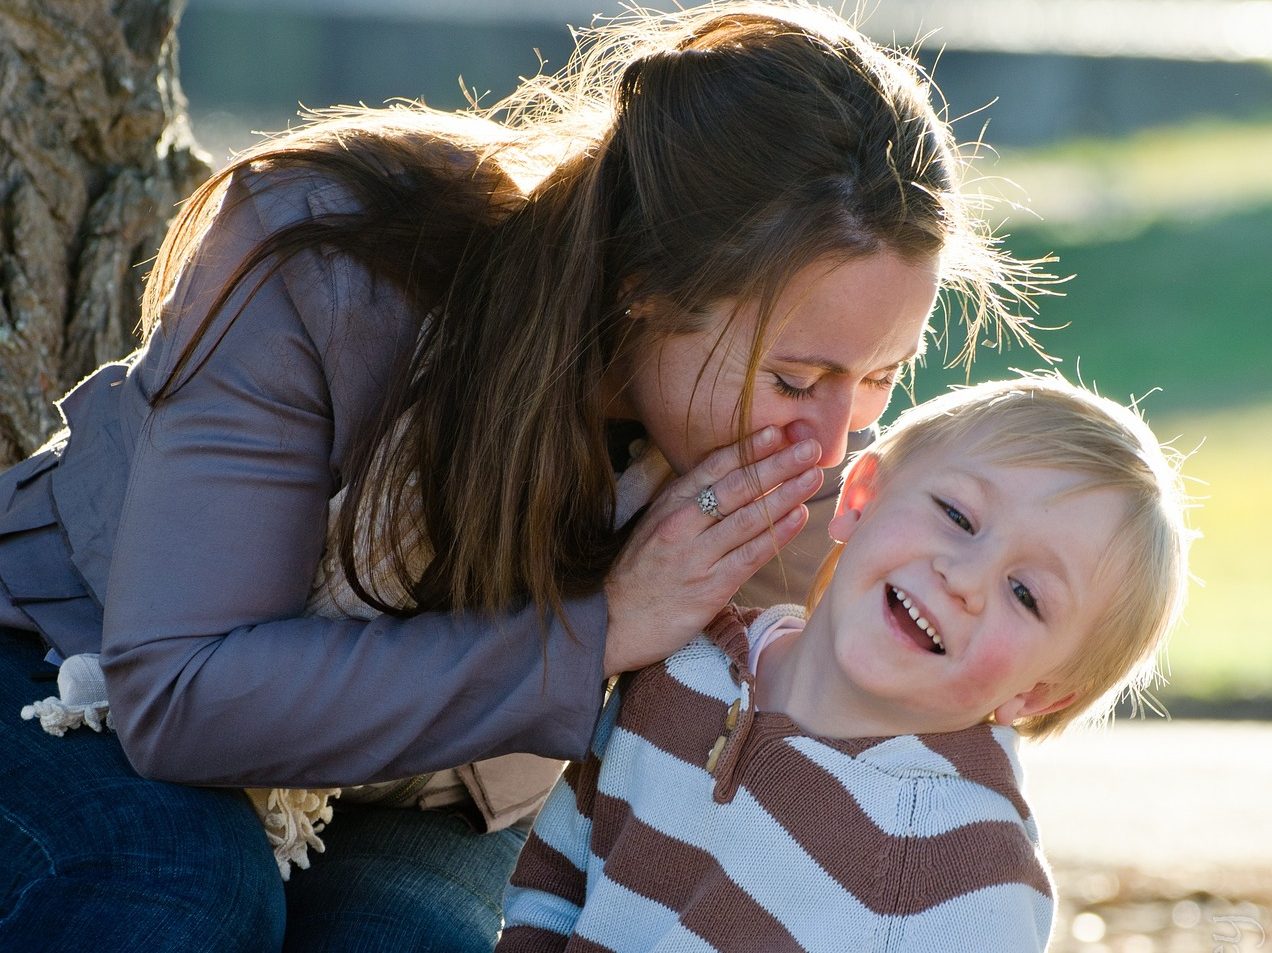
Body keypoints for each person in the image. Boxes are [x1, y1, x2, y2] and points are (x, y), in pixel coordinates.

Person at [0, 3, 1049, 951]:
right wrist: (602, 628)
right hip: (72, 667)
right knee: (180, 886)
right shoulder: (330, 261)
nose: (831, 441)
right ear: (645, 287)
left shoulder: (799, 473)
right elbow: (180, 693)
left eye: (878, 379)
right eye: (796, 377)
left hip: (432, 788)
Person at [497, 375, 1192, 953]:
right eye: (957, 514)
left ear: (1036, 693)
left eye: (1025, 593)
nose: (966, 579)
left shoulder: (967, 876)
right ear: (860, 499)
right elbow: (556, 880)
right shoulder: (684, 664)